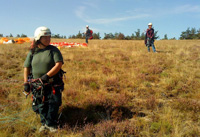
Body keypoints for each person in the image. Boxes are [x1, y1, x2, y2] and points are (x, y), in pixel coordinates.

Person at [23, 26, 65, 132]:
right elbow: (26, 67)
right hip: (37, 85)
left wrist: (47, 76)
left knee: (53, 103)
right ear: (38, 38)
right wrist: (26, 83)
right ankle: (44, 123)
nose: (48, 39)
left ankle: (51, 124)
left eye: (49, 37)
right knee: (40, 104)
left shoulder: (53, 50)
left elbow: (58, 64)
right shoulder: (32, 52)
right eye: (45, 37)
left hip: (52, 83)